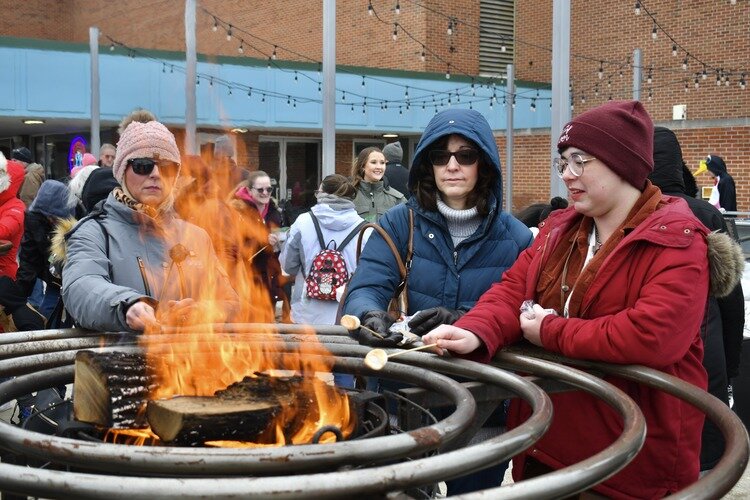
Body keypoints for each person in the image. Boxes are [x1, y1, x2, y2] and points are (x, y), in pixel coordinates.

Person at [423, 100, 742, 498]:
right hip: (547, 448)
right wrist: (473, 330)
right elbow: (511, 291)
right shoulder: (560, 230)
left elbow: (652, 335)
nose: (567, 175)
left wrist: (549, 331)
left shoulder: (677, 240)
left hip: (629, 464)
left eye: (580, 161)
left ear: (622, 163)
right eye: (563, 163)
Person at [343, 108, 533, 493]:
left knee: (473, 493)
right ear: (426, 164)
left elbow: (524, 311)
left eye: (465, 155)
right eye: (439, 155)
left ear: (484, 163)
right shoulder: (400, 222)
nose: (452, 165)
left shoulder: (516, 238)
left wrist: (466, 319)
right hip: (408, 399)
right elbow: (365, 286)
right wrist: (370, 314)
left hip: (484, 404)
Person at [61, 117, 239, 332]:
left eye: (167, 168)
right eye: (142, 166)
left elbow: (229, 302)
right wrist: (127, 306)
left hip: (187, 362)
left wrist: (203, 311)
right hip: (117, 362)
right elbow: (80, 287)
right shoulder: (93, 232)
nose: (155, 174)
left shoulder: (197, 236)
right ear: (122, 171)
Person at [650, 126, 745, 471]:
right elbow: (732, 300)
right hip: (707, 355)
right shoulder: (705, 214)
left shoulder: (631, 213)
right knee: (703, 460)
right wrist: (731, 363)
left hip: (652, 360)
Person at [16, 180, 76, 320]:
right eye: (52, 218)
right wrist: (18, 299)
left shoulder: (71, 219)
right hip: (52, 275)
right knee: (50, 305)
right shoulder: (35, 222)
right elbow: (31, 259)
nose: (54, 221)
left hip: (66, 274)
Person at [227, 171, 286, 311]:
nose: (265, 193)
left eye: (269, 189)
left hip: (270, 280)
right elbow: (233, 249)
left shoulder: (274, 212)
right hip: (245, 281)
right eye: (260, 189)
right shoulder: (237, 212)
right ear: (249, 190)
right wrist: (262, 241)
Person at [351, 147, 405, 223]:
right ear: (362, 166)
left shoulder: (398, 199)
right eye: (373, 162)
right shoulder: (349, 196)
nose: (379, 167)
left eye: (382, 163)